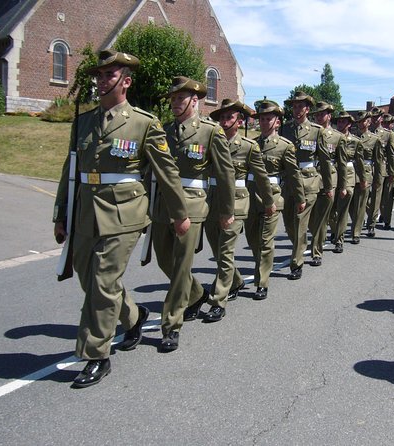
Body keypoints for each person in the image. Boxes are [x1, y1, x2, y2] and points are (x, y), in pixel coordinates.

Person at [53, 50, 189, 387]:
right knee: (91, 280)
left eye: (109, 75)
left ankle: (96, 356)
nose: (101, 80)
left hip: (124, 214)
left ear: (125, 82)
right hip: (85, 212)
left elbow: (167, 172)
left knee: (102, 283)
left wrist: (179, 213)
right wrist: (60, 213)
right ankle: (134, 315)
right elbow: (71, 171)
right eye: (98, 75)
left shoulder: (144, 123)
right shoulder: (82, 122)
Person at [152, 76, 235, 351]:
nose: (175, 103)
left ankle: (171, 325)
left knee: (180, 268)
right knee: (165, 261)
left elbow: (225, 174)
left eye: (180, 98)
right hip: (163, 206)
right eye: (173, 98)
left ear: (194, 100)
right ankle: (197, 295)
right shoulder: (163, 131)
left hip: (194, 205)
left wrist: (226, 211)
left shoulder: (210, 132)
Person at [202, 99, 276, 321]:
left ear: (239, 121)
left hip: (237, 201)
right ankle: (236, 280)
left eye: (229, 117)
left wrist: (269, 200)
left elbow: (262, 177)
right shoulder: (210, 141)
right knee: (216, 250)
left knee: (225, 251)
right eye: (222, 118)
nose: (224, 122)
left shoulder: (248, 146)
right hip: (212, 200)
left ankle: (218, 300)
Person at [245, 99, 304, 299]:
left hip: (273, 196)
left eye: (268, 118)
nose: (263, 122)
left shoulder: (284, 146)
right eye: (261, 118)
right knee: (252, 239)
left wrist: (299, 198)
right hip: (251, 196)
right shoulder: (251, 144)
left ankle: (262, 282)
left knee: (265, 241)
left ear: (277, 122)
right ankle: (260, 268)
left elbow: (294, 174)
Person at [282, 91, 332, 280]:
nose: (297, 110)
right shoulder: (285, 130)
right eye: (294, 106)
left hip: (309, 181)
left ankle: (297, 263)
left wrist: (328, 187)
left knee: (300, 222)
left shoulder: (316, 130)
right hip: (288, 182)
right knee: (289, 224)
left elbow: (325, 161)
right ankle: (300, 245)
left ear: (307, 109)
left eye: (300, 106)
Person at [308, 101, 346, 266]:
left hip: (328, 180)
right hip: (310, 180)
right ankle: (317, 242)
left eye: (322, 114)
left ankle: (318, 251)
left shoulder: (338, 137)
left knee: (325, 218)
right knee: (310, 218)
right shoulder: (309, 133)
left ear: (329, 116)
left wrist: (343, 186)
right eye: (316, 114)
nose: (318, 116)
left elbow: (342, 164)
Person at [331, 111, 365, 253]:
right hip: (333, 174)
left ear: (349, 124)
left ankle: (339, 240)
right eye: (338, 122)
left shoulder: (356, 141)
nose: (340, 124)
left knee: (343, 209)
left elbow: (360, 162)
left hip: (349, 175)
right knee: (331, 210)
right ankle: (335, 231)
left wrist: (363, 179)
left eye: (343, 122)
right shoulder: (331, 138)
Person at [367, 107, 394, 238]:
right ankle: (371, 222)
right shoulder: (365, 133)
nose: (374, 120)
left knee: (383, 198)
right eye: (372, 117)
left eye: (377, 117)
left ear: (381, 118)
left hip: (383, 170)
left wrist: (393, 172)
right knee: (369, 199)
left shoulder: (387, 134)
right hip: (368, 169)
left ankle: (381, 222)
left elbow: (391, 155)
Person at [349, 111, 376, 244]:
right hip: (350, 172)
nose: (360, 123)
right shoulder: (352, 137)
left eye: (363, 121)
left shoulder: (374, 139)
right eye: (359, 121)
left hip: (365, 173)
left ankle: (356, 233)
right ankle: (358, 222)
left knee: (360, 204)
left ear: (369, 122)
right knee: (350, 204)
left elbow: (379, 160)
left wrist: (377, 179)